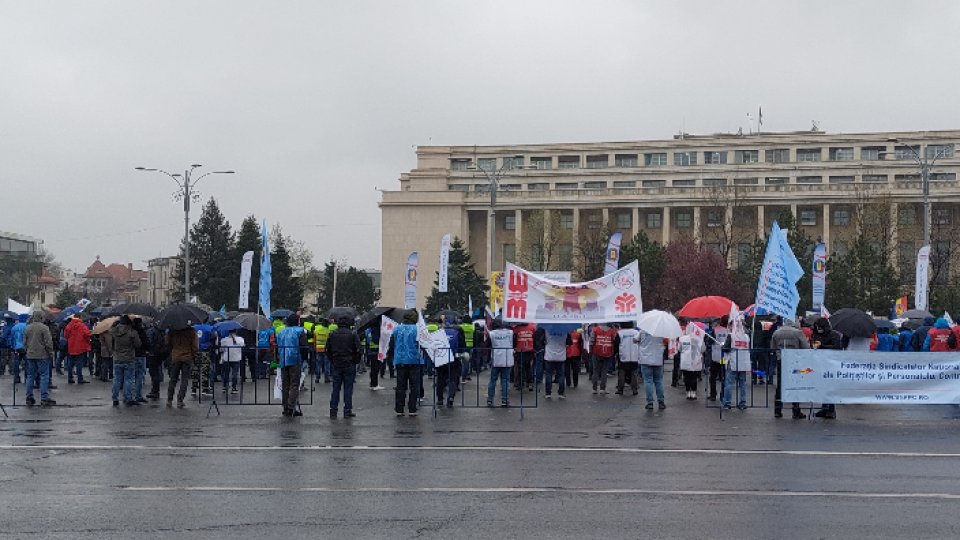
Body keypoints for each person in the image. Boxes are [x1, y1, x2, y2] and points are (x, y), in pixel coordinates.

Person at [771, 318, 810, 419]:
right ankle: (796, 410)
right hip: (794, 361)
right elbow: (806, 347)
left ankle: (777, 410)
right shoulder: (798, 333)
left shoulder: (776, 332)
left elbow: (772, 347)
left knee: (780, 385)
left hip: (781, 360)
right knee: (795, 385)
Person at [387, 310, 423, 416]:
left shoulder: (397, 329)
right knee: (414, 386)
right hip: (413, 360)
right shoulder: (417, 329)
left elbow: (392, 344)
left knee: (400, 386)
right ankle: (412, 408)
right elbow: (422, 344)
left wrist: (392, 357)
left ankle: (399, 408)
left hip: (400, 360)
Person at [327, 316, 362, 418]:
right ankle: (347, 410)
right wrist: (355, 361)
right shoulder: (352, 334)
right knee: (348, 388)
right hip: (349, 363)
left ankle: (333, 410)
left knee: (335, 388)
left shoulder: (332, 334)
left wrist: (332, 360)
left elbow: (327, 350)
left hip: (337, 363)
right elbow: (359, 350)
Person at [277, 314, 309, 417]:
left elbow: (277, 346)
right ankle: (291, 408)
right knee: (294, 385)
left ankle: (285, 407)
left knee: (285, 385)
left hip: (283, 360)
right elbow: (304, 347)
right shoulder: (300, 331)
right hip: (295, 360)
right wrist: (305, 359)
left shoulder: (281, 332)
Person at [811, 317, 844, 419]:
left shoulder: (834, 335)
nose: (818, 328)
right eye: (817, 327)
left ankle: (831, 410)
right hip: (819, 363)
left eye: (819, 327)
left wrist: (823, 346)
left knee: (830, 387)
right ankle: (824, 408)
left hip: (831, 364)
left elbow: (837, 348)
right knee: (822, 387)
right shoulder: (816, 334)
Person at [23, 312, 55, 406]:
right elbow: (48, 342)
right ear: (42, 317)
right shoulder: (44, 328)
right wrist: (51, 353)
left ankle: (29, 397)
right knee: (44, 376)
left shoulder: (27, 328)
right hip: (42, 355)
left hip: (30, 355)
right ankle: (44, 398)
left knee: (30, 376)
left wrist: (27, 351)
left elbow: (24, 342)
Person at [110, 315, 141, 407]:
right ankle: (128, 398)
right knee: (128, 379)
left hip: (117, 358)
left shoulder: (114, 331)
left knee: (117, 379)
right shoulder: (132, 332)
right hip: (129, 358)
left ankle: (115, 398)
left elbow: (112, 344)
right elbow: (138, 344)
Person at [722, 319, 752, 410]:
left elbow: (726, 349)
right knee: (742, 384)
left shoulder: (731, 336)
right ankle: (742, 403)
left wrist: (723, 346)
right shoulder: (746, 336)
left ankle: (727, 403)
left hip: (733, 362)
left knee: (729, 383)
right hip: (744, 362)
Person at [166, 326, 198, 408]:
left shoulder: (172, 330)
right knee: (185, 379)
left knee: (173, 379)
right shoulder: (191, 331)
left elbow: (167, 343)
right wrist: (194, 356)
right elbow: (195, 346)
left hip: (175, 356)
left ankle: (169, 400)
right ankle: (180, 400)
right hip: (187, 357)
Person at [636, 329, 667, 410]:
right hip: (658, 359)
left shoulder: (643, 331)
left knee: (648, 381)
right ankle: (661, 402)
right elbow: (666, 342)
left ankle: (650, 403)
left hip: (645, 359)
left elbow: (635, 339)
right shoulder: (661, 331)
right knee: (658, 381)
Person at [487, 319, 515, 407]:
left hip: (496, 359)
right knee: (505, 380)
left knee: (493, 380)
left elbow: (488, 344)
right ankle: (504, 400)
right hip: (507, 359)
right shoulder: (510, 332)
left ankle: (490, 400)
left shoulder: (492, 334)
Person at [438, 320, 465, 407]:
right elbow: (461, 345)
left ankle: (440, 399)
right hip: (453, 358)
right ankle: (450, 398)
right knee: (452, 379)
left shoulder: (439, 333)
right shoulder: (456, 333)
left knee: (440, 379)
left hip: (441, 358)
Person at [706, 317, 730, 401]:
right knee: (723, 376)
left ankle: (713, 395)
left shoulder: (715, 330)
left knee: (713, 376)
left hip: (715, 357)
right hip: (724, 358)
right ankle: (722, 395)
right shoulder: (728, 331)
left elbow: (709, 342)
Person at [679, 323, 704, 400]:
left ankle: (688, 393)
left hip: (685, 361)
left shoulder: (682, 339)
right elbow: (703, 349)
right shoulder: (699, 339)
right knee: (694, 377)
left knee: (686, 377)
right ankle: (693, 393)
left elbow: (679, 349)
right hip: (695, 361)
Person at [63, 314, 91, 385]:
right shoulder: (82, 325)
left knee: (70, 364)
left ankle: (70, 378)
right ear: (79, 317)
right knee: (79, 364)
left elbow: (66, 335)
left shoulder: (69, 325)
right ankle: (80, 379)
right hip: (80, 347)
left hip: (71, 346)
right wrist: (87, 342)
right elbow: (87, 334)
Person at [590, 323, 617, 395]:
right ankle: (602, 389)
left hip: (596, 353)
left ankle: (594, 389)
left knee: (595, 371)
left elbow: (591, 342)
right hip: (608, 353)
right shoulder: (612, 331)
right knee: (604, 371)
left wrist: (591, 352)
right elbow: (614, 342)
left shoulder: (595, 330)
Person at [614, 323, 640, 396]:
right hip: (634, 355)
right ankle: (635, 390)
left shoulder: (620, 333)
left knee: (622, 373)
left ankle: (620, 389)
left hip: (623, 356)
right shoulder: (636, 332)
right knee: (634, 373)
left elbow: (616, 345)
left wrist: (615, 353)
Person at [542, 324, 567, 399]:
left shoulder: (547, 331)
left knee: (548, 375)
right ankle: (561, 393)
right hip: (561, 356)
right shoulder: (564, 332)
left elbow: (543, 340)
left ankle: (548, 393)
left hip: (549, 356)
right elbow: (568, 342)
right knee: (561, 375)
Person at [512, 321, 536, 391]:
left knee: (521, 368)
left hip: (520, 351)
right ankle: (530, 383)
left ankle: (521, 384)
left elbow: (514, 340)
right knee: (528, 367)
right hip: (530, 350)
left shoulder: (516, 328)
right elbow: (535, 338)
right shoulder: (533, 327)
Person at [219, 328, 244, 394]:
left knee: (226, 373)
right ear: (236, 331)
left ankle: (224, 386)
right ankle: (234, 388)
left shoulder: (224, 340)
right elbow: (243, 346)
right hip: (236, 358)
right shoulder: (241, 339)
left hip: (227, 358)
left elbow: (221, 350)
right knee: (235, 373)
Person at [145, 322, 167, 400]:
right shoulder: (162, 332)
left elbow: (149, 342)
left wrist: (148, 350)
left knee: (153, 373)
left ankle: (155, 391)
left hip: (152, 354)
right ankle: (155, 391)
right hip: (160, 354)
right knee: (156, 372)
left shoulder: (152, 331)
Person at [131, 318, 149, 403]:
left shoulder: (130, 331)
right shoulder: (141, 331)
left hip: (131, 355)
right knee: (139, 376)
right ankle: (138, 395)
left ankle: (129, 395)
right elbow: (146, 343)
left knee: (131, 377)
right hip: (141, 355)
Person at [363, 326, 384, 391]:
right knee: (376, 368)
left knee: (373, 368)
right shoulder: (376, 330)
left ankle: (372, 384)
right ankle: (375, 384)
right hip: (376, 351)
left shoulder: (369, 330)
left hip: (371, 351)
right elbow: (376, 340)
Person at [10, 313, 28, 384]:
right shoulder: (28, 327)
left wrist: (12, 347)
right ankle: (27, 378)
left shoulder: (14, 327)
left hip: (16, 348)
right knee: (27, 364)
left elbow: (12, 339)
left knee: (16, 364)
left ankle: (16, 378)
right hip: (25, 348)